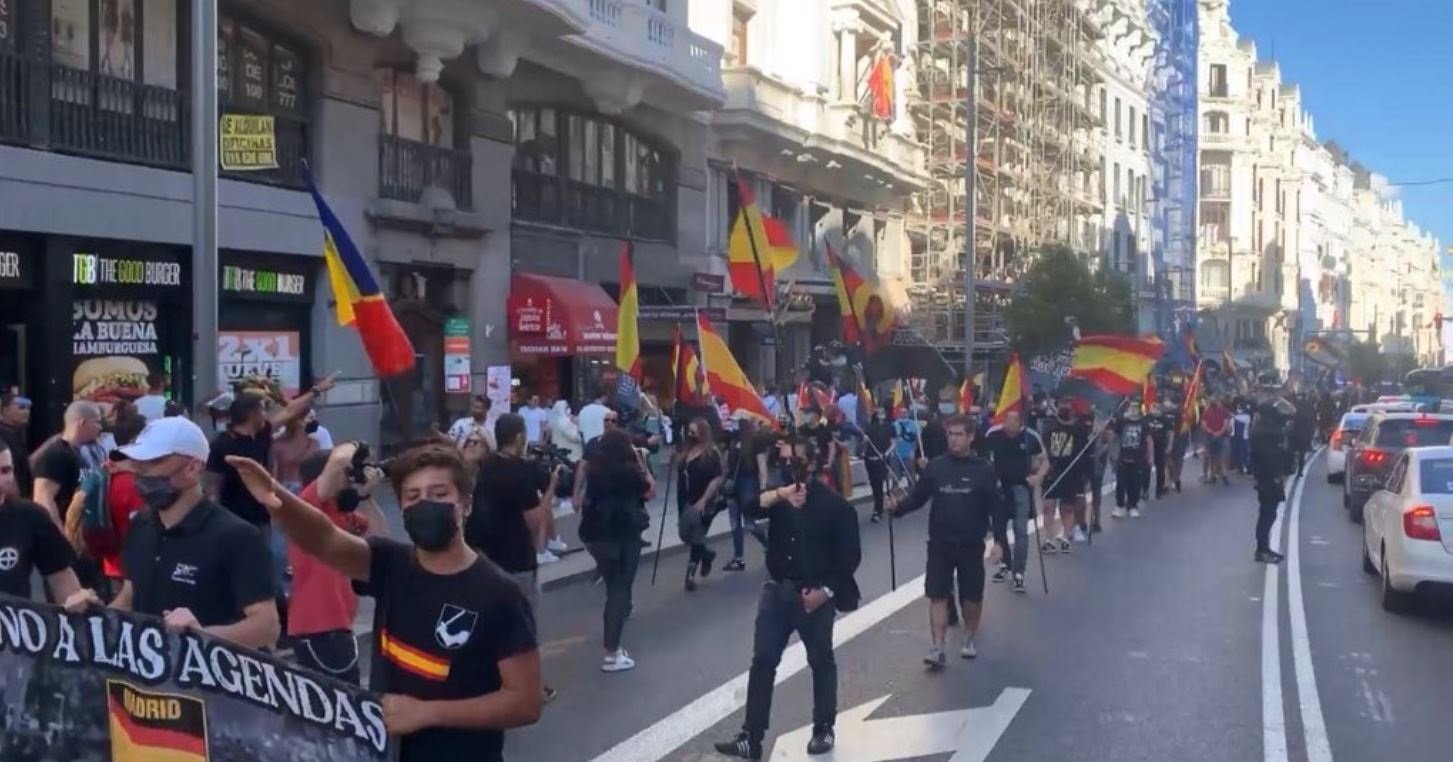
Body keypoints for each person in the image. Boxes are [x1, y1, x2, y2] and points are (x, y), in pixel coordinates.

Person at [219, 443, 542, 761]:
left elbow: (525, 703)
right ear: (401, 508)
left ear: (466, 504)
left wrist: (428, 713)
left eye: (439, 494)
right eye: (413, 497)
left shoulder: (499, 593)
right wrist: (276, 499)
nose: (425, 503)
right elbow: (325, 539)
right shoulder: (390, 564)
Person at [63, 417, 279, 650]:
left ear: (193, 468)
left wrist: (202, 635)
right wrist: (92, 615)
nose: (142, 473)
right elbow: (129, 596)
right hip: (144, 679)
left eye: (153, 461)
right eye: (137, 462)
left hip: (207, 681)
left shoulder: (237, 536)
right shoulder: (141, 526)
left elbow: (266, 627)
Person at [714, 438, 861, 760]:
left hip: (814, 597)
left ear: (810, 464)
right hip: (776, 591)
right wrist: (779, 493)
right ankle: (751, 737)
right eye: (781, 462)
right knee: (763, 660)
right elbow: (749, 507)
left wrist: (825, 593)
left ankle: (823, 727)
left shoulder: (836, 507)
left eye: (790, 462)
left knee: (820, 661)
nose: (784, 467)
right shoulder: (778, 499)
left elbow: (849, 558)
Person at [886, 415, 1000, 666]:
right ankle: (937, 647)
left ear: (971, 437)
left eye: (959, 434)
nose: (954, 439)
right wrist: (897, 508)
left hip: (971, 545)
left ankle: (969, 638)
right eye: (951, 434)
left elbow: (996, 508)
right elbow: (917, 497)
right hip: (940, 544)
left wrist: (1000, 541)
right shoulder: (936, 467)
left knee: (972, 597)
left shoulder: (984, 469)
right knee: (937, 595)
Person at [290, 444, 389, 684]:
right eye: (347, 475)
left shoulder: (343, 514)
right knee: (343, 704)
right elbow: (336, 464)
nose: (350, 479)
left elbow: (383, 539)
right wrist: (357, 448)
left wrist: (364, 496)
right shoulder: (307, 508)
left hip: (338, 625)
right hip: (319, 627)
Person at [578, 428, 654, 672]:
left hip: (597, 537)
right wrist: (641, 461)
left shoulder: (595, 470)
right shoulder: (629, 472)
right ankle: (611, 652)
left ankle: (612, 648)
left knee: (614, 590)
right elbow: (650, 490)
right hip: (623, 536)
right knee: (619, 591)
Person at [0, 440, 81, 602]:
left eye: (5, 471)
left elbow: (61, 576)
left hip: (14, 623)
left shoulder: (30, 516)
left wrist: (76, 600)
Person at [983, 411, 1046, 592]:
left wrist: (1037, 477)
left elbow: (1044, 461)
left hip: (1021, 488)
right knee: (998, 529)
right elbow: (984, 458)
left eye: (1012, 420)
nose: (1008, 424)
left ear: (1019, 422)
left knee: (1021, 531)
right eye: (1006, 420)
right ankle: (1006, 564)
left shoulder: (1030, 437)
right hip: (999, 489)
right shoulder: (993, 435)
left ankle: (1019, 573)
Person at [33, 401, 104, 527]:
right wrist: (62, 537)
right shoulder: (56, 454)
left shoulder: (75, 453)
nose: (101, 427)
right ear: (82, 422)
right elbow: (43, 499)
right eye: (97, 422)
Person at [677, 417, 724, 592]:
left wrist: (705, 499)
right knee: (684, 535)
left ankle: (690, 575)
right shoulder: (686, 451)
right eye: (689, 431)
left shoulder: (711, 453)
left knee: (697, 535)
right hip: (685, 500)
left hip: (704, 501)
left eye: (693, 431)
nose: (690, 435)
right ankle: (706, 554)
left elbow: (718, 477)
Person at [1250, 397, 1295, 564]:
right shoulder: (1264, 432)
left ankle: (1265, 548)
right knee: (1267, 514)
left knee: (1269, 514)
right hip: (1267, 479)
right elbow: (1270, 457)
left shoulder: (1266, 430)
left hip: (1268, 477)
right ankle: (1261, 550)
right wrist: (1276, 476)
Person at [1041, 402, 1091, 549]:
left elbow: (1085, 452)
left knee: (1067, 508)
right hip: (1051, 472)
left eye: (1068, 405)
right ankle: (1048, 538)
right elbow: (1042, 448)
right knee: (1048, 506)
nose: (1065, 407)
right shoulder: (1049, 427)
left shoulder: (1079, 429)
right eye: (1062, 404)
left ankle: (1065, 536)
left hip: (1070, 473)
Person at [724, 415, 771, 570]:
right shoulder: (732, 439)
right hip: (733, 483)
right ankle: (738, 558)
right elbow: (727, 462)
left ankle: (768, 544)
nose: (734, 423)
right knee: (735, 523)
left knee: (750, 523)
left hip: (748, 481)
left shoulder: (755, 441)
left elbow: (761, 464)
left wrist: (763, 486)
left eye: (736, 420)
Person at [1112, 406, 1151, 519]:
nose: (1132, 411)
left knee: (1135, 483)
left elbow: (1148, 440)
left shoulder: (1144, 423)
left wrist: (1150, 455)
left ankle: (1133, 505)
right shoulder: (1122, 422)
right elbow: (1114, 436)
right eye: (1131, 408)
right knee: (1120, 483)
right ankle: (1119, 505)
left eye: (1135, 408)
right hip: (1123, 457)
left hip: (1138, 458)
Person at [862, 408, 897, 523]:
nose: (881, 414)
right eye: (879, 413)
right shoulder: (870, 427)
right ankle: (879, 507)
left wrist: (886, 454)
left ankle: (880, 508)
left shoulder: (890, 427)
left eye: (883, 412)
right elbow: (863, 443)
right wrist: (865, 440)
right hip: (870, 459)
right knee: (875, 485)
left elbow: (893, 443)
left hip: (882, 459)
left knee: (881, 482)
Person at [271, 412, 320, 492]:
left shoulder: (314, 443)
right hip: (284, 488)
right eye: (310, 418)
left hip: (306, 487)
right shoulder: (278, 445)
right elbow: (273, 472)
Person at [0, 391, 34, 499]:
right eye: (22, 407)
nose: (26, 412)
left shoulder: (14, 436)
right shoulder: (3, 435)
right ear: (5, 410)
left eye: (28, 408)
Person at [1200, 396, 1232, 485]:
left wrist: (1216, 432)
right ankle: (1216, 475)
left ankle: (1221, 475)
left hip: (1219, 436)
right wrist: (1214, 432)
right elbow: (1203, 424)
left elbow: (1226, 424)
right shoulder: (1207, 411)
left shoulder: (1223, 411)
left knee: (1219, 457)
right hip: (1214, 436)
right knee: (1214, 457)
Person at [1145, 402, 1173, 498]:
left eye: (1157, 408)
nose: (1155, 409)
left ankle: (1159, 490)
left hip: (1161, 446)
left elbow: (1170, 433)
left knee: (1160, 469)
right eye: (1154, 407)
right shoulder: (1147, 418)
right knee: (1146, 469)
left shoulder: (1165, 419)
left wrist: (1169, 445)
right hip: (1147, 447)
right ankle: (1145, 490)